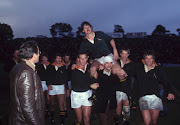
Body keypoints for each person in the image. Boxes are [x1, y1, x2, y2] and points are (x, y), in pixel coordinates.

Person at [123, 50, 175, 125]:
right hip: (143, 97)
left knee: (153, 121)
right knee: (147, 122)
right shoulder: (139, 68)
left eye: (150, 58)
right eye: (146, 58)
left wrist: (170, 92)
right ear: (144, 59)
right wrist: (122, 70)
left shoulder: (158, 70)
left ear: (153, 59)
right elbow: (129, 66)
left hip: (156, 97)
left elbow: (166, 81)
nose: (148, 60)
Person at [8, 41, 45, 125]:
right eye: (39, 52)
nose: (39, 54)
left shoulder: (18, 67)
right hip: (24, 121)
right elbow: (28, 107)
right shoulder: (26, 72)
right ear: (33, 54)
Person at [71, 52, 99, 125]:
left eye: (85, 58)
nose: (83, 60)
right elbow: (76, 84)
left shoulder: (90, 68)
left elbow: (93, 79)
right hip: (76, 95)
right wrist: (90, 85)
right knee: (79, 120)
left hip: (87, 94)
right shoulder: (74, 69)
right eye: (81, 58)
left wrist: (97, 74)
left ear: (87, 58)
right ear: (78, 59)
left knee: (87, 119)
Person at [94, 56, 119, 125]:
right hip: (102, 102)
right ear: (103, 64)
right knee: (104, 120)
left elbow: (117, 86)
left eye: (111, 63)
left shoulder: (114, 75)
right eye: (107, 63)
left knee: (110, 119)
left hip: (112, 101)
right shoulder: (98, 74)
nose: (109, 65)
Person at [46, 53, 68, 124]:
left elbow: (65, 78)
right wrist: (48, 84)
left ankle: (62, 122)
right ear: (55, 59)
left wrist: (66, 88)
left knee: (61, 105)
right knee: (52, 103)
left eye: (60, 58)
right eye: (57, 58)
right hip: (52, 87)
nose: (59, 60)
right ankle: (52, 118)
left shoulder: (63, 67)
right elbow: (48, 77)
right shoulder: (50, 66)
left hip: (60, 87)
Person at [115, 47, 134, 125]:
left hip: (127, 88)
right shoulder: (116, 62)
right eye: (123, 53)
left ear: (129, 54)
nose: (124, 56)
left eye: (126, 54)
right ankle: (116, 120)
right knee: (118, 110)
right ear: (120, 54)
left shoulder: (131, 64)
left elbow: (131, 77)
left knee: (126, 109)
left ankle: (125, 121)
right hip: (117, 88)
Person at [36, 53, 50, 117]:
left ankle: (48, 109)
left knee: (48, 97)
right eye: (43, 58)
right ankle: (43, 110)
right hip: (41, 82)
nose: (44, 59)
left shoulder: (50, 65)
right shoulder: (38, 65)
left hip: (48, 82)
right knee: (42, 97)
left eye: (45, 58)